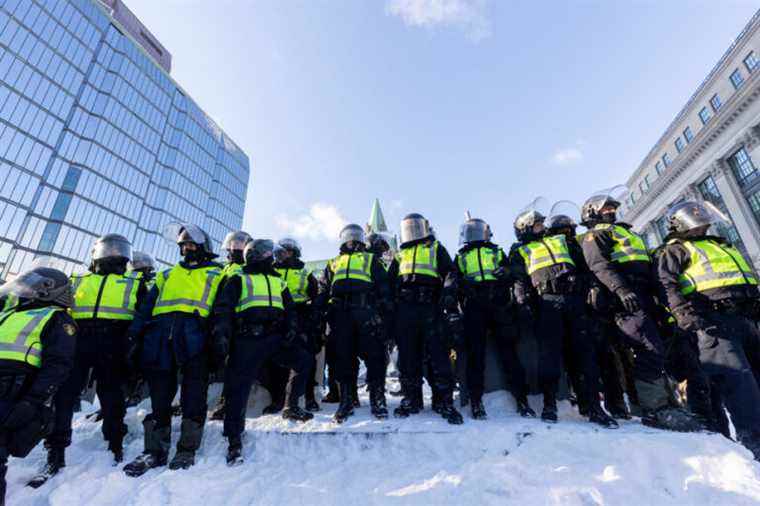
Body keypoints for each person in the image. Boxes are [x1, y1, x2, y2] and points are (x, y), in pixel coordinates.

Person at [580, 189, 703, 431]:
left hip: (647, 296)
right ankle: (655, 409)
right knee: (648, 348)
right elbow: (600, 266)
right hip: (626, 300)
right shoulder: (594, 236)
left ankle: (670, 404)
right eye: (606, 208)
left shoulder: (626, 231)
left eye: (613, 207)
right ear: (592, 212)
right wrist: (621, 290)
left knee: (663, 347)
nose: (611, 211)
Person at [35, 235, 146, 485]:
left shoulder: (134, 281)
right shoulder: (77, 279)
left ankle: (115, 441)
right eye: (110, 248)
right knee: (64, 394)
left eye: (120, 249)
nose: (115, 253)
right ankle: (56, 449)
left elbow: (142, 315)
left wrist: (132, 341)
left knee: (112, 394)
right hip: (77, 340)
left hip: (114, 341)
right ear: (96, 252)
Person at [657, 201, 760, 456]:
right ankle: (755, 443)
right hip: (712, 323)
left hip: (745, 319)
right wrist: (684, 314)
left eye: (703, 217)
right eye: (696, 218)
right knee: (740, 384)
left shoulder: (720, 244)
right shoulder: (675, 251)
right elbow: (667, 285)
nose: (702, 222)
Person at [124, 223, 227, 476]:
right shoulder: (166, 274)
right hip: (159, 338)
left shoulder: (218, 274)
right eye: (183, 246)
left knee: (194, 395)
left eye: (191, 245)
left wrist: (219, 336)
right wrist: (133, 335)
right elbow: (146, 307)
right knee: (159, 396)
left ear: (203, 247)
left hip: (196, 338)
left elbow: (222, 310)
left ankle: (186, 449)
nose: (186, 249)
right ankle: (154, 451)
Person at [510, 209, 617, 427]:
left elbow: (585, 266)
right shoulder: (521, 250)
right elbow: (520, 281)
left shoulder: (561, 241)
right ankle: (550, 405)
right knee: (549, 358)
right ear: (526, 228)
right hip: (546, 304)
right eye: (537, 224)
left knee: (585, 355)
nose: (543, 226)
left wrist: (592, 289)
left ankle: (594, 407)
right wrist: (525, 306)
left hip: (574, 302)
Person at [213, 239, 314, 465]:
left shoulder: (278, 281)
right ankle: (233, 439)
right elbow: (224, 309)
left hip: (275, 337)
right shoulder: (239, 278)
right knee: (237, 388)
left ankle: (291, 406)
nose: (273, 257)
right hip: (247, 340)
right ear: (261, 256)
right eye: (270, 254)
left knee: (303, 360)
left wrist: (291, 329)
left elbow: (289, 310)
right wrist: (222, 334)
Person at [0, 266, 76, 503]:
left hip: (13, 388)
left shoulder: (57, 318)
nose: (24, 288)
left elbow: (58, 365)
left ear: (47, 290)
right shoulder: (9, 312)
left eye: (31, 284)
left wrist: (34, 400)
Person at [453, 218, 534, 420]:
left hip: (498, 303)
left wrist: (505, 272)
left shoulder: (497, 251)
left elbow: (514, 271)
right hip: (474, 306)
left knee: (509, 353)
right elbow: (453, 279)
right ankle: (476, 402)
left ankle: (522, 399)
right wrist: (461, 289)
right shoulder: (461, 256)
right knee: (475, 356)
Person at [389, 213, 464, 424]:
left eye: (416, 226)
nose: (412, 230)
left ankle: (444, 401)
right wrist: (389, 304)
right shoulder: (399, 255)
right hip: (405, 310)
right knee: (408, 356)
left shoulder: (434, 248)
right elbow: (389, 281)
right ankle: (411, 399)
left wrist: (449, 293)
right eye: (408, 227)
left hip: (430, 307)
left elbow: (450, 271)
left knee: (438, 355)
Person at [321, 224, 391, 423]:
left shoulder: (370, 259)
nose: (352, 239)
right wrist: (319, 311)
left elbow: (383, 286)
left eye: (356, 236)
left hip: (366, 312)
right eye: (348, 236)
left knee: (375, 356)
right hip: (340, 315)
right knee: (343, 358)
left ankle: (378, 399)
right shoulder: (333, 262)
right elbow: (324, 289)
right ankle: (347, 400)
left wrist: (383, 313)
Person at [271, 237, 321, 412]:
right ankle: (278, 399)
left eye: (288, 251)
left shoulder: (305, 271)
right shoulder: (271, 269)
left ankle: (309, 397)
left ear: (294, 253)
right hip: (278, 316)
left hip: (302, 317)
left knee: (307, 357)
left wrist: (314, 318)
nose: (284, 255)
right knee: (278, 357)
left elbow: (315, 295)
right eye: (281, 251)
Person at [210, 230, 252, 422]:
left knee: (234, 365)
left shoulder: (251, 267)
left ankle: (227, 403)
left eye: (240, 244)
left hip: (239, 321)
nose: (235, 247)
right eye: (233, 244)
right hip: (216, 319)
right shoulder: (221, 268)